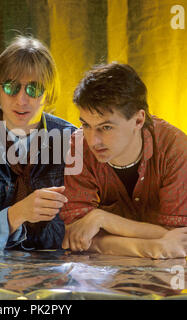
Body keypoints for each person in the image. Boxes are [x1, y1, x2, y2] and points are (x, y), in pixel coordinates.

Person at [0, 36, 77, 251]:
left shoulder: (71, 140)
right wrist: (16, 214)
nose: (21, 100)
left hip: (53, 269)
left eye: (34, 89)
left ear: (48, 94)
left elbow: (77, 224)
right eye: (11, 87)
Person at [60, 62, 187, 259]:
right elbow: (76, 237)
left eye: (106, 127)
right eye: (86, 125)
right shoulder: (78, 146)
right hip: (107, 277)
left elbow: (179, 240)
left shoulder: (175, 148)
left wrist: (102, 219)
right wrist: (151, 248)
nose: (93, 140)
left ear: (138, 120)